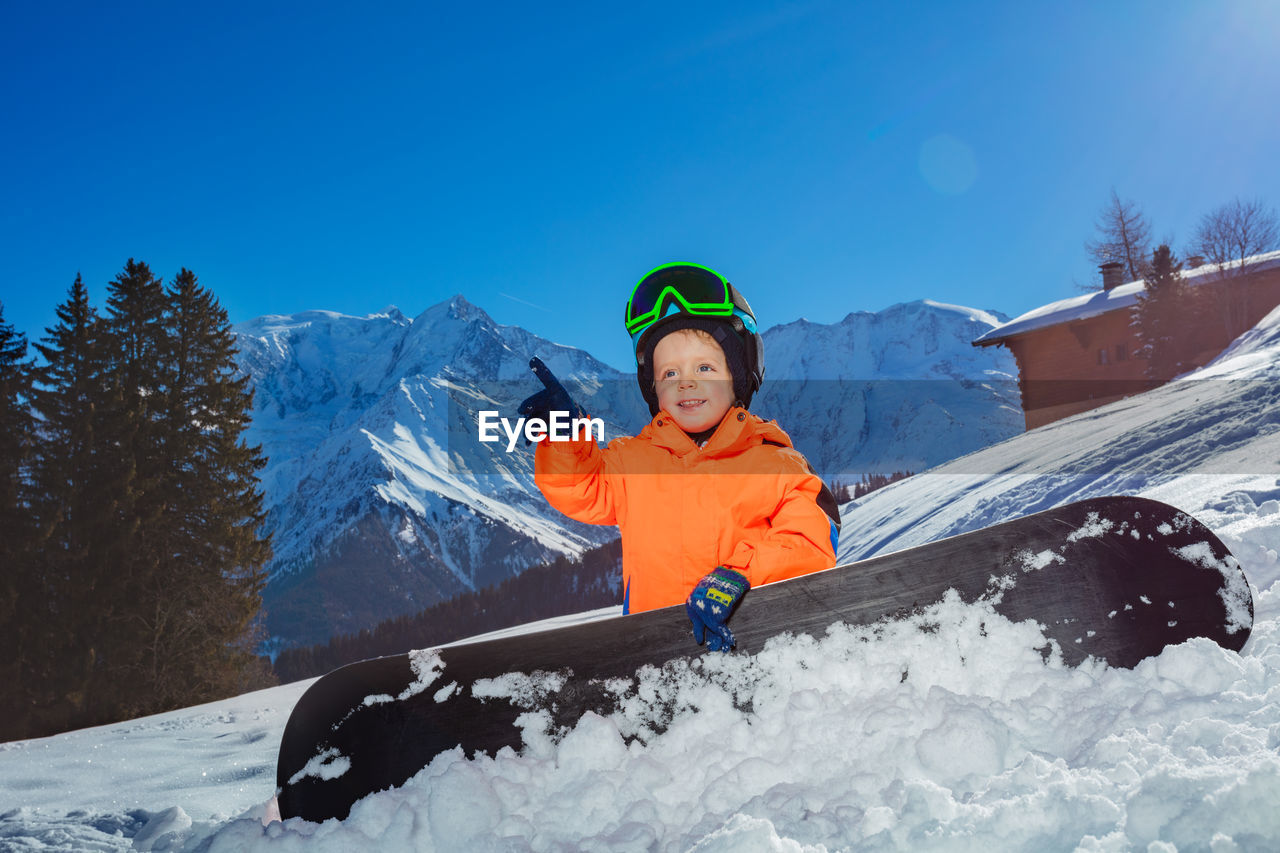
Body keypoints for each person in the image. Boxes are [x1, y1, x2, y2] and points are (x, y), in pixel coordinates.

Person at [519, 262, 839, 651]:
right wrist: (565, 436)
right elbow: (579, 490)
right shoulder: (633, 461)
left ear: (739, 375)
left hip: (745, 653)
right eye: (669, 373)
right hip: (652, 660)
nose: (685, 381)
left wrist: (739, 575)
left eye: (705, 367)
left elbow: (812, 540)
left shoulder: (775, 464)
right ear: (652, 387)